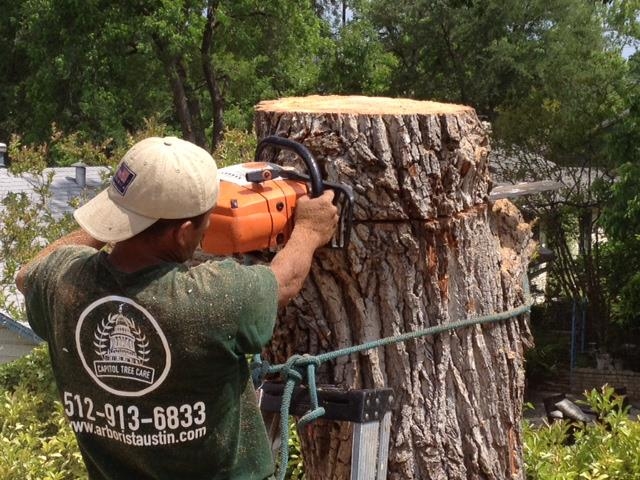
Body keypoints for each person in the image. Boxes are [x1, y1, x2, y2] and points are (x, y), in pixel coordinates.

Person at [15, 136, 338, 480]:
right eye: (203, 223)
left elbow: (26, 274)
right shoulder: (209, 298)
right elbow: (284, 281)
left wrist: (119, 215)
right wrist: (309, 229)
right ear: (183, 233)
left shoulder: (65, 283)